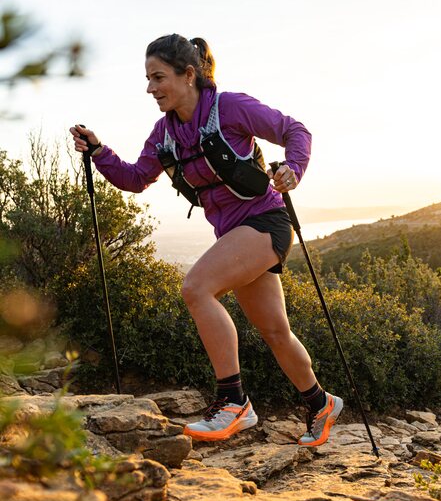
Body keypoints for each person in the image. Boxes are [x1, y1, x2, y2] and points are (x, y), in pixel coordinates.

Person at [70, 33, 342, 446]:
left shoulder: (229, 107)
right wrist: (99, 151)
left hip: (266, 222)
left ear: (188, 75)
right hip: (235, 235)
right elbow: (136, 178)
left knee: (196, 288)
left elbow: (294, 130)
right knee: (275, 331)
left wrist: (293, 168)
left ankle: (234, 402)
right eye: (148, 79)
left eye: (158, 77)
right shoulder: (163, 134)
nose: (150, 88)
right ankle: (321, 403)